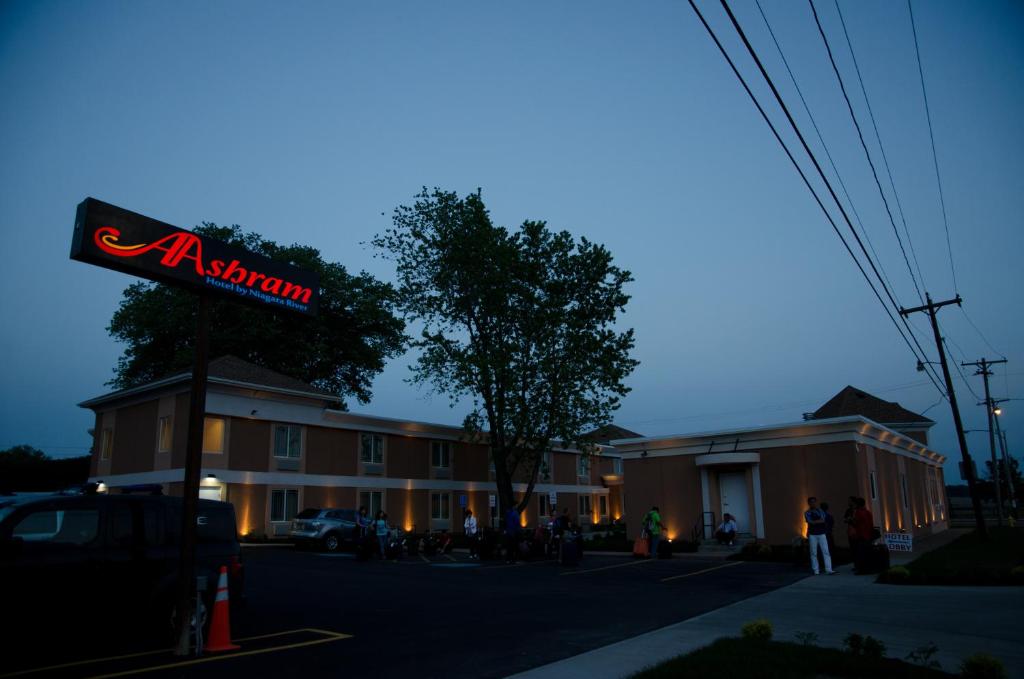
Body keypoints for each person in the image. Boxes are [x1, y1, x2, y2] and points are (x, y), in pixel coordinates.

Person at [804, 497, 835, 575]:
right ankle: (816, 570)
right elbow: (810, 522)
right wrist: (818, 521)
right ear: (809, 503)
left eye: (814, 502)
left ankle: (828, 569)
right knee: (813, 552)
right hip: (812, 534)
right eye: (811, 502)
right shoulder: (807, 512)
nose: (813, 503)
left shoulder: (820, 511)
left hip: (821, 533)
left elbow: (822, 520)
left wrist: (815, 521)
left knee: (826, 551)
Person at [853, 497, 875, 573]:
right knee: (867, 552)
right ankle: (869, 568)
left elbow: (856, 522)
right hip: (868, 535)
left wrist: (851, 520)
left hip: (861, 535)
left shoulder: (858, 512)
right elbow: (871, 524)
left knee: (861, 552)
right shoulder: (868, 512)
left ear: (858, 504)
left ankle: (862, 569)